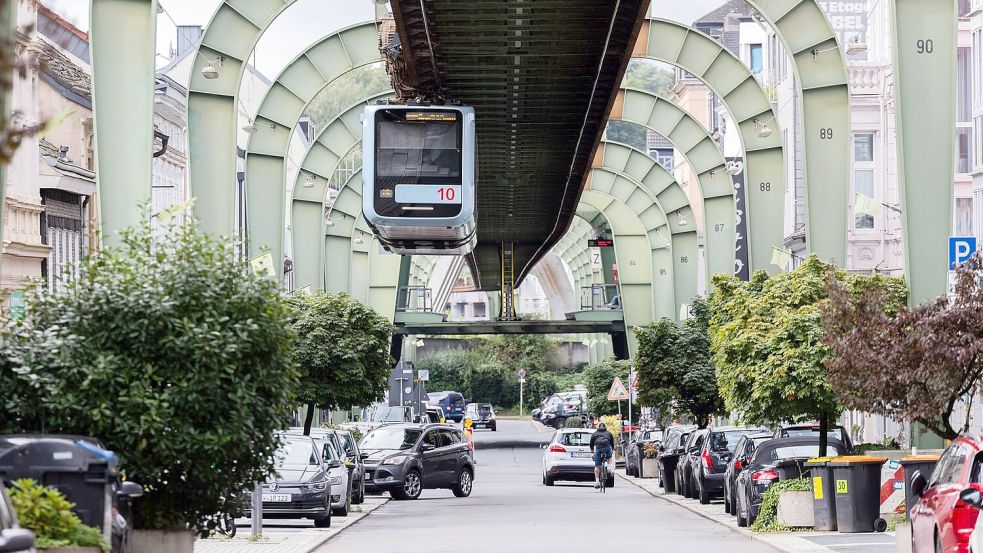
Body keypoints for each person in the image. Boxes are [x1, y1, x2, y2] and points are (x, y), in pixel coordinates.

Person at [589, 423, 615, 488]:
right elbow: (612, 443)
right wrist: (612, 450)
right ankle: (609, 468)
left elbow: (591, 443)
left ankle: (597, 482)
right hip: (607, 447)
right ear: (605, 427)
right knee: (609, 457)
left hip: (598, 448)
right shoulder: (608, 433)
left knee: (597, 466)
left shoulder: (595, 433)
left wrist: (592, 451)